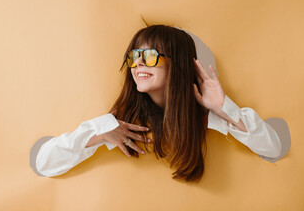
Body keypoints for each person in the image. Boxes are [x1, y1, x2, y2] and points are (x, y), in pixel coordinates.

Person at [34, 25, 281, 182]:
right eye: (134, 56)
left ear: (178, 64)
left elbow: (272, 148)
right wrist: (99, 132)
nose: (139, 63)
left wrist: (223, 107)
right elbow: (45, 163)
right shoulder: (121, 123)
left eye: (150, 56)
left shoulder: (206, 118)